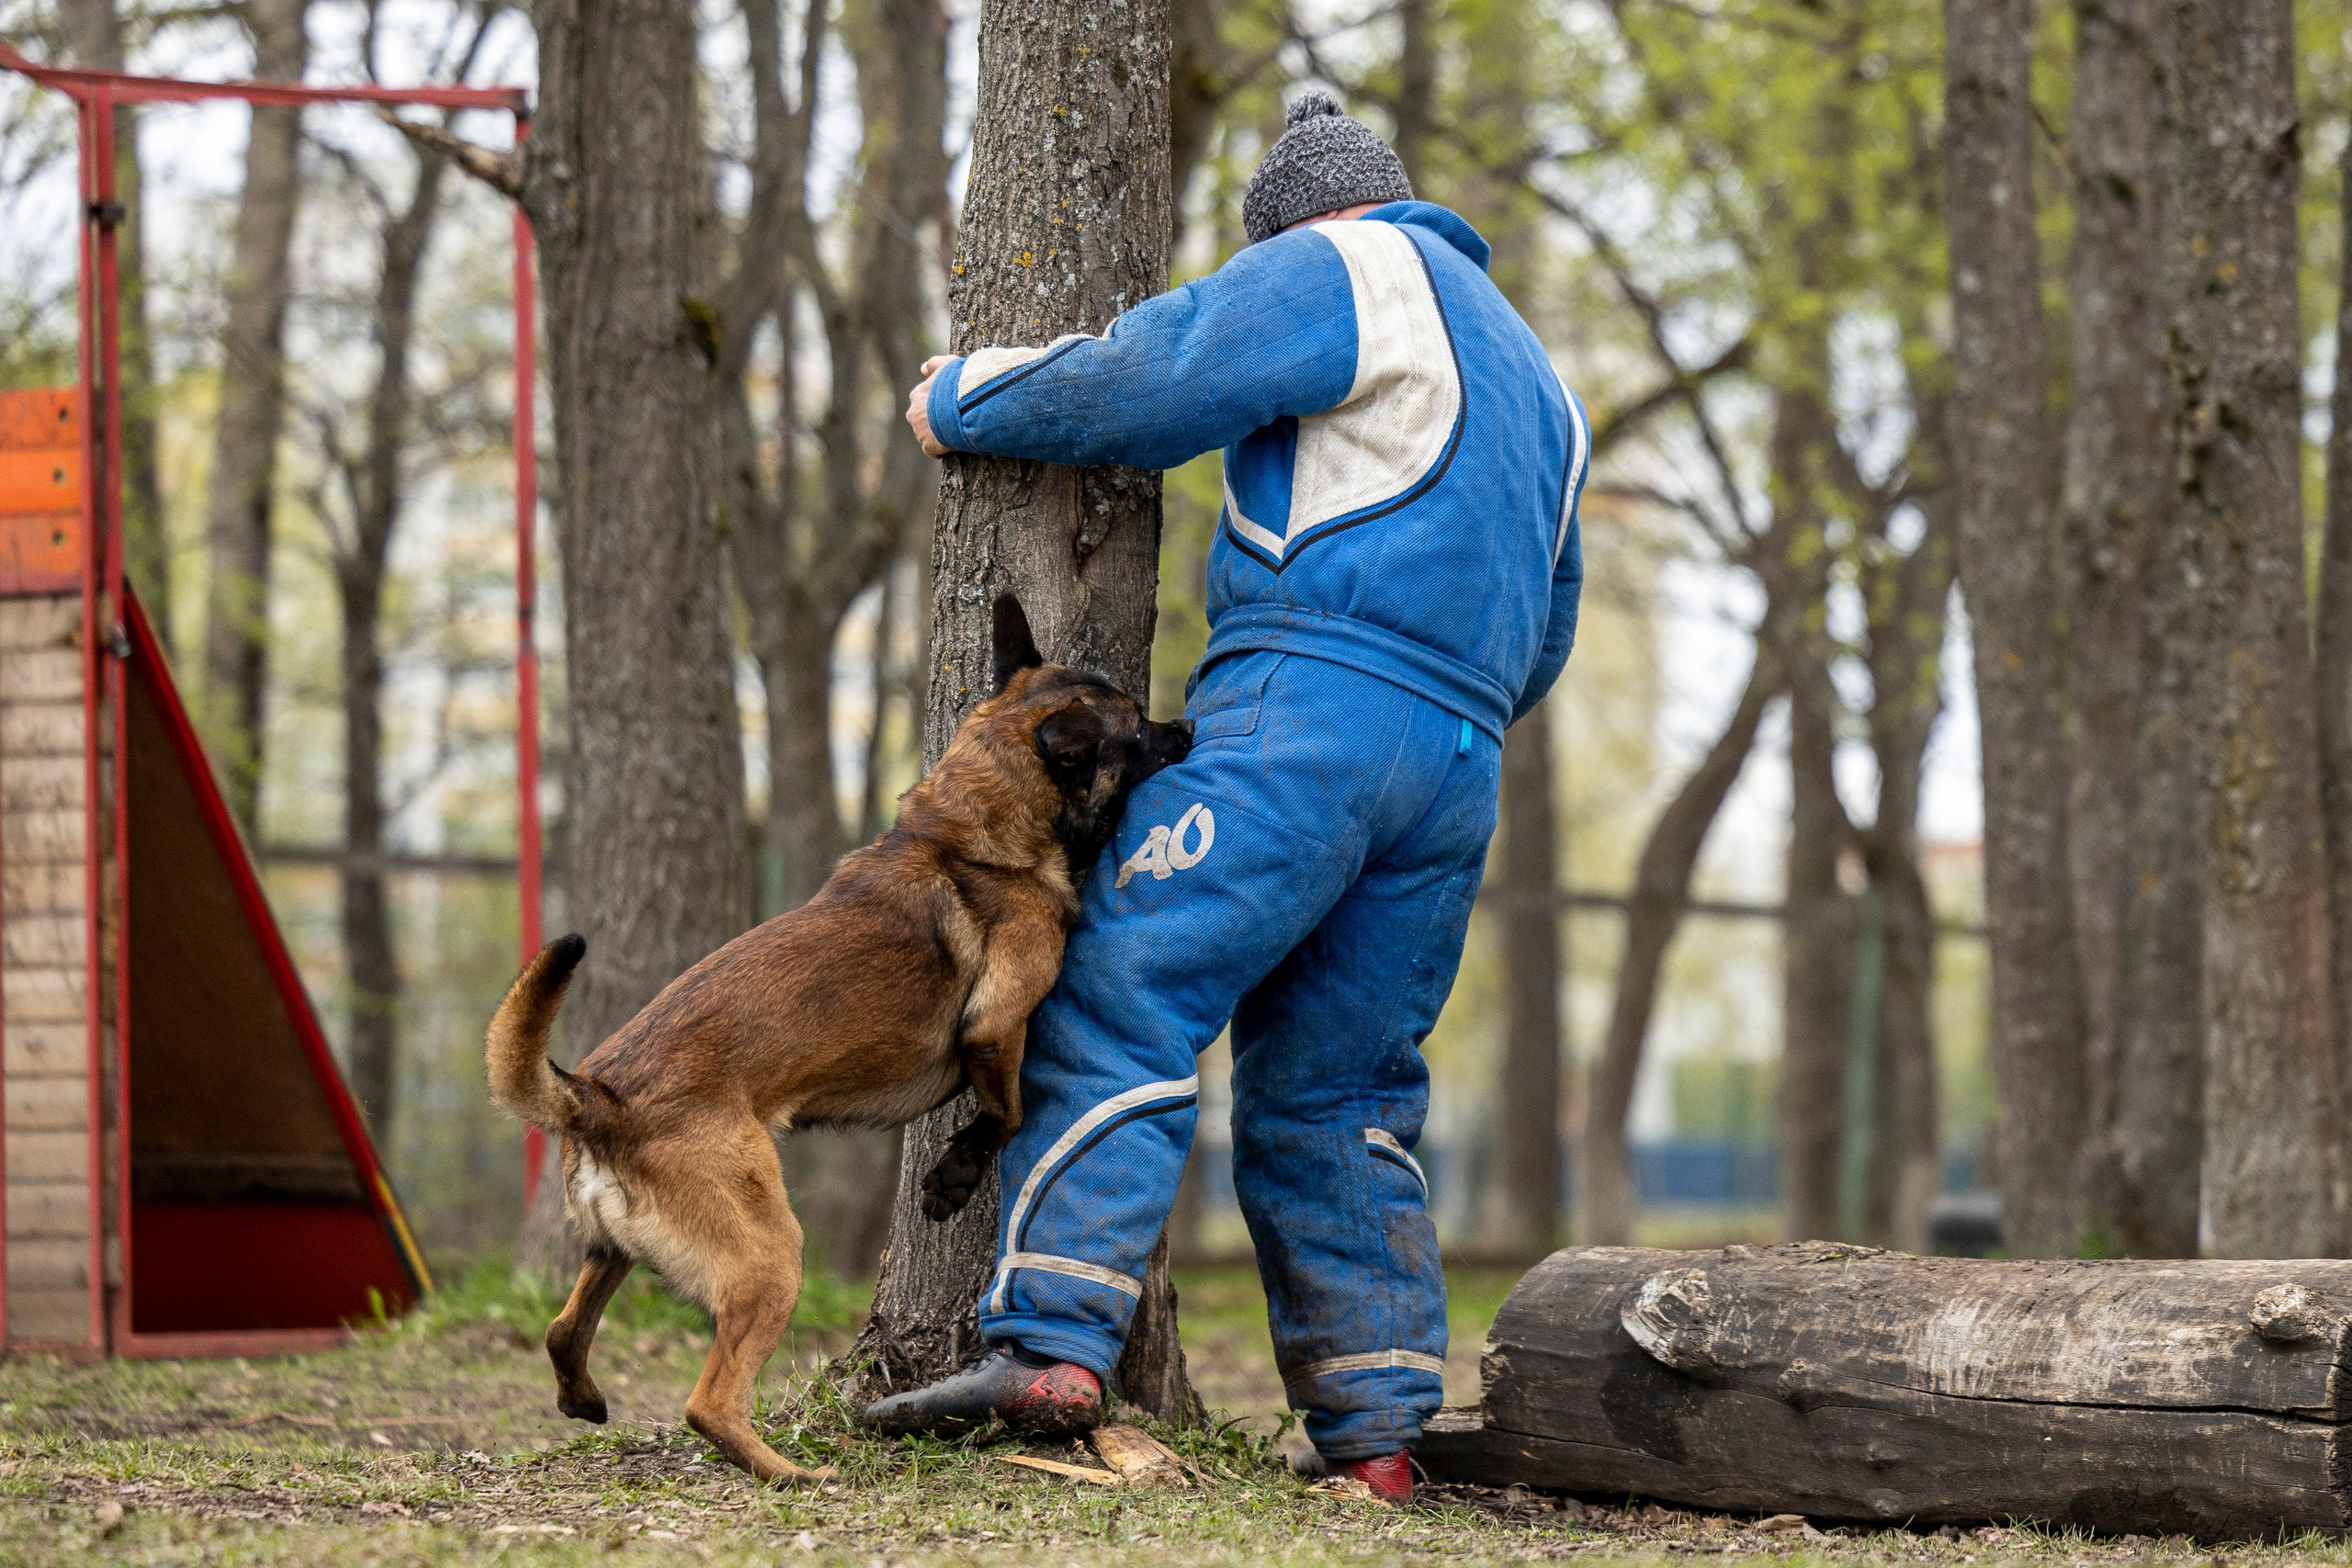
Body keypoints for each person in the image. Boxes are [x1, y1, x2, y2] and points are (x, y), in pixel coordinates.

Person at [864, 88, 1589, 1504]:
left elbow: (1162, 373)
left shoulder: (1350, 267)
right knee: (1343, 1089)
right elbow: (1551, 628)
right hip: (1459, 764)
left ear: (1298, 222)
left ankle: (1055, 1347)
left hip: (1307, 708)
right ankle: (1377, 1436)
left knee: (1119, 981)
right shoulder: (1547, 389)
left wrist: (964, 395)